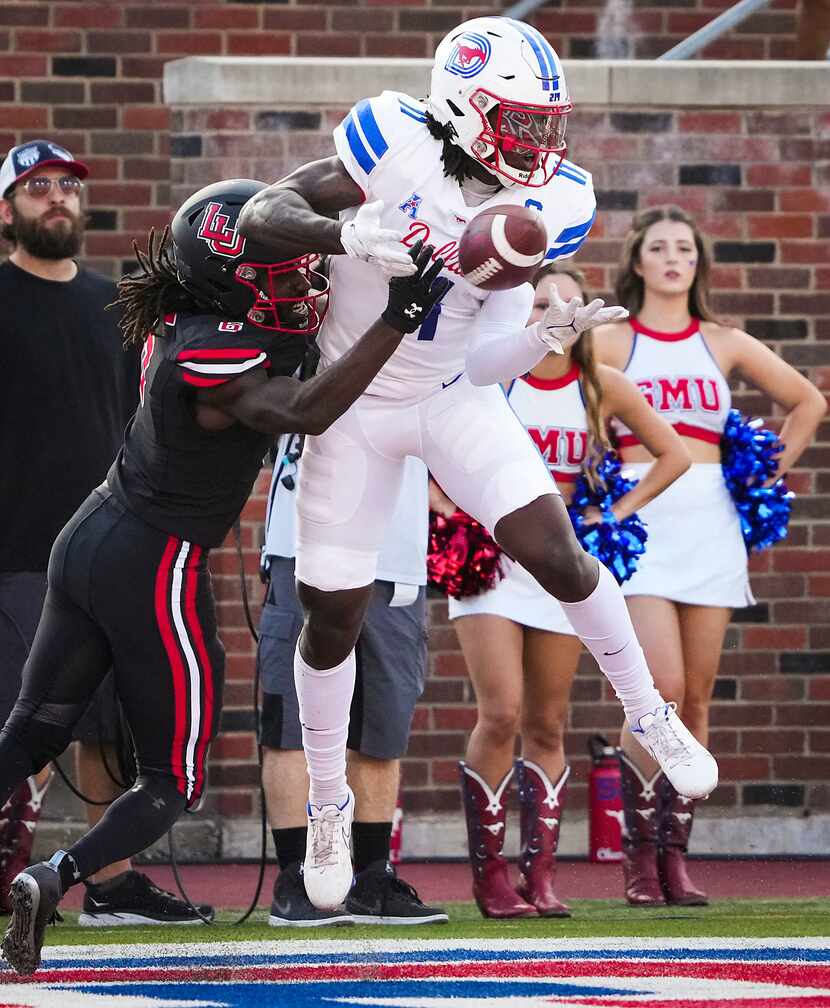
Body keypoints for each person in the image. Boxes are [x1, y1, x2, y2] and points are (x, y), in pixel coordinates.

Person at [238, 15, 719, 914]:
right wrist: (345, 238)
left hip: (451, 394)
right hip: (352, 403)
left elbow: (485, 356)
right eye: (519, 119)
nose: (539, 141)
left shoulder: (558, 200)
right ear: (460, 104)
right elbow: (264, 213)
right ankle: (331, 801)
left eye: (547, 122)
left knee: (559, 553)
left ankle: (648, 712)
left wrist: (542, 333)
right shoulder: (395, 142)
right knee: (332, 615)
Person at [0, 177, 450, 976]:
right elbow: (305, 412)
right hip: (154, 556)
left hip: (93, 535)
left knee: (35, 726)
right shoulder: (219, 348)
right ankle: (55, 877)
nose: (301, 280)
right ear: (233, 279)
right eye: (280, 270)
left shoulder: (184, 310)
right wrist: (398, 315)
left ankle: (57, 875)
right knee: (172, 780)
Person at [0, 139, 214, 928]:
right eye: (36, 188)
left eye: (66, 186)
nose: (56, 198)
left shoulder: (115, 307)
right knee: (28, 721)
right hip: (16, 548)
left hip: (117, 543)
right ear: (7, 211)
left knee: (117, 722)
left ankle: (112, 886)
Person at [593, 205, 827, 908]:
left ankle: (674, 858)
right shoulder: (610, 339)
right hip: (639, 517)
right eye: (658, 248)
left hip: (710, 521)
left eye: (684, 250)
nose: (671, 259)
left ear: (698, 265)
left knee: (696, 695)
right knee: (657, 687)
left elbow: (808, 402)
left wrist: (762, 475)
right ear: (636, 262)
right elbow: (580, 406)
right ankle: (638, 859)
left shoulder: (723, 340)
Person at [441, 262, 690, 919]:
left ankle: (540, 877)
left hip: (559, 567)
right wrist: (453, 507)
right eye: (539, 299)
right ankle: (490, 878)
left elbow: (673, 455)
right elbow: (431, 450)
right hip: (489, 562)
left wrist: (611, 514)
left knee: (547, 722)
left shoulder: (598, 385)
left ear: (586, 315)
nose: (552, 309)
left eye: (567, 300)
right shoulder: (492, 379)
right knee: (500, 712)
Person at [260, 444, 447, 926]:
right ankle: (295, 875)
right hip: (305, 544)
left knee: (381, 727)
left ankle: (371, 878)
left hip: (397, 554)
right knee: (292, 725)